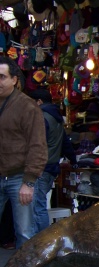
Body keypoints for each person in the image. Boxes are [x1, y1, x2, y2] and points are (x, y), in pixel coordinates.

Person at [0, 56, 47, 248]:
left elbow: (37, 145)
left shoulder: (27, 107)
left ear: (14, 79)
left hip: (19, 177)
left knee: (25, 232)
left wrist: (29, 182)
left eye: (2, 77)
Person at [28, 88, 77, 233]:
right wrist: (74, 160)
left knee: (37, 207)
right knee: (38, 205)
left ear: (39, 102)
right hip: (50, 167)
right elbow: (65, 143)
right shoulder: (56, 118)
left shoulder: (41, 117)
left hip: (40, 167)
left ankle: (40, 242)